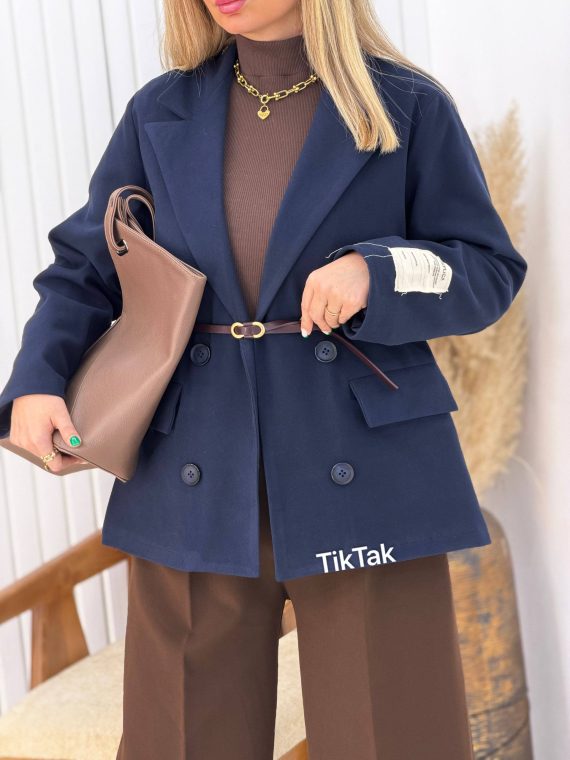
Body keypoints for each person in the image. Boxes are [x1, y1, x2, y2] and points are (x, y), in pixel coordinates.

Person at [0, 0, 528, 758]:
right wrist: (37, 380)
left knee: (392, 738)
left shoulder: (404, 104)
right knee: (182, 742)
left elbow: (486, 269)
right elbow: (86, 269)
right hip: (194, 473)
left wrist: (376, 272)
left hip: (367, 472)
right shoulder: (161, 110)